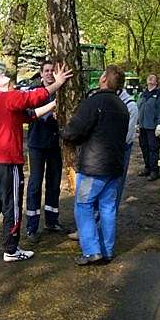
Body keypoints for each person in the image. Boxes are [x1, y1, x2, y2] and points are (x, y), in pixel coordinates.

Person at [0, 64, 72, 263]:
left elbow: (29, 115)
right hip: (6, 162)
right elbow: (32, 98)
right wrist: (59, 83)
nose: (3, 75)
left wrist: (53, 105)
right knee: (12, 205)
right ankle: (11, 249)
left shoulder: (0, 102)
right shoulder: (5, 96)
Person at [62, 65, 129, 266]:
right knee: (108, 208)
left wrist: (63, 132)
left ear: (103, 79)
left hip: (93, 167)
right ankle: (107, 251)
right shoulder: (122, 106)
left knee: (83, 206)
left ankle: (92, 251)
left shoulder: (94, 102)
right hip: (114, 165)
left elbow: (75, 130)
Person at [67, 86, 138, 242]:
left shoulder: (128, 105)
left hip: (102, 159)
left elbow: (125, 136)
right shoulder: (119, 105)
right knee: (107, 205)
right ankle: (105, 248)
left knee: (85, 203)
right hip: (111, 158)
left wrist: (66, 133)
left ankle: (91, 247)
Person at [26, 61, 62, 242]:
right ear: (41, 74)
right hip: (37, 144)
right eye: (46, 71)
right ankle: (31, 226)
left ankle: (52, 220)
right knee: (35, 184)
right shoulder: (34, 92)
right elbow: (29, 113)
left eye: (52, 71)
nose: (49, 74)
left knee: (54, 183)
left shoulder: (62, 92)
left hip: (55, 144)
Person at [137, 73, 160, 181]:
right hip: (142, 126)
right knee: (144, 147)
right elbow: (138, 109)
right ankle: (147, 168)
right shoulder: (143, 94)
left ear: (156, 82)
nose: (150, 78)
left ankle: (154, 171)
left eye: (153, 77)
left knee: (153, 148)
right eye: (149, 77)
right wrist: (137, 123)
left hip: (153, 127)